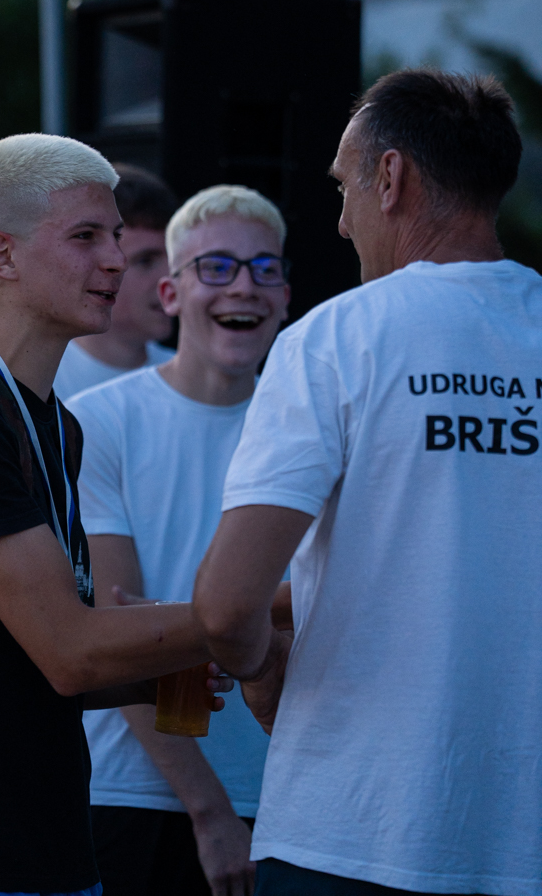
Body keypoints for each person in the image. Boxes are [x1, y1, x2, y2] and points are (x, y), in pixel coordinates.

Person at [0, 133, 232, 896]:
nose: (116, 260)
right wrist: (257, 607)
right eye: (85, 236)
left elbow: (18, 664)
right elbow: (68, 650)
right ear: (1, 254)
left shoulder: (56, 422)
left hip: (47, 850)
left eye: (116, 236)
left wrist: (146, 673)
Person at [194, 69, 542, 896]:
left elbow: (226, 605)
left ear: (390, 178)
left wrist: (261, 677)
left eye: (343, 187)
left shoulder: (334, 339)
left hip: (348, 830)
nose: (342, 221)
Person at [69, 184, 291, 896]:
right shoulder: (98, 422)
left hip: (284, 798)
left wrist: (171, 623)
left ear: (286, 296)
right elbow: (112, 633)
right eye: (217, 266)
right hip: (130, 796)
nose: (244, 286)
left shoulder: (313, 426)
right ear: (170, 292)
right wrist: (209, 809)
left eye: (264, 268)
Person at [54, 163, 176, 401]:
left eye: (174, 258)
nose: (170, 277)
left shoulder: (189, 382)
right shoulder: (39, 381)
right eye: (146, 260)